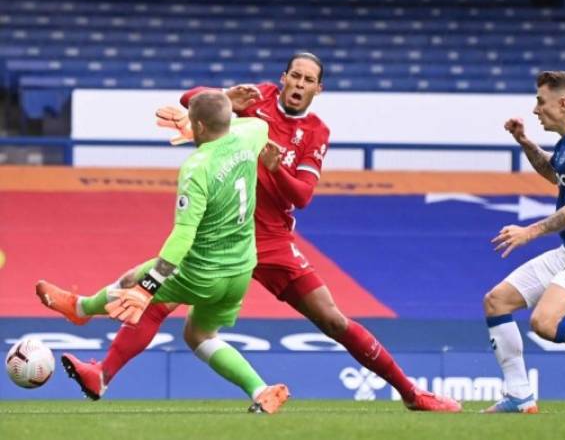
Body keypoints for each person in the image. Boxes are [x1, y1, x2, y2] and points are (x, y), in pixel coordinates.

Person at [38, 52, 461, 412]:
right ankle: (101, 370)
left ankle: (411, 392)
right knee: (156, 304)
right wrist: (226, 94)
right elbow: (196, 103)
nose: (298, 83)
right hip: (222, 235)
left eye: (308, 80)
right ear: (282, 78)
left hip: (272, 240)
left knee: (331, 318)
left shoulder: (315, 133)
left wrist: (277, 171)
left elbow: (304, 196)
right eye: (294, 75)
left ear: (319, 90)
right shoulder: (259, 103)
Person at [37, 90, 289, 414]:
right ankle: (261, 390)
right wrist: (202, 121)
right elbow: (250, 123)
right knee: (200, 335)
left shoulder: (198, 167)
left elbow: (183, 235)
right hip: (241, 270)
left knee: (134, 285)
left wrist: (149, 287)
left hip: (202, 271)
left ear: (197, 125)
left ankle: (81, 309)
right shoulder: (252, 133)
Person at [484, 71, 565, 413]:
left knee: (545, 323)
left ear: (562, 103)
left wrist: (529, 232)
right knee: (497, 302)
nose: (535, 110)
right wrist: (525, 142)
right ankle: (519, 395)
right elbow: (554, 173)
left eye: (541, 101)